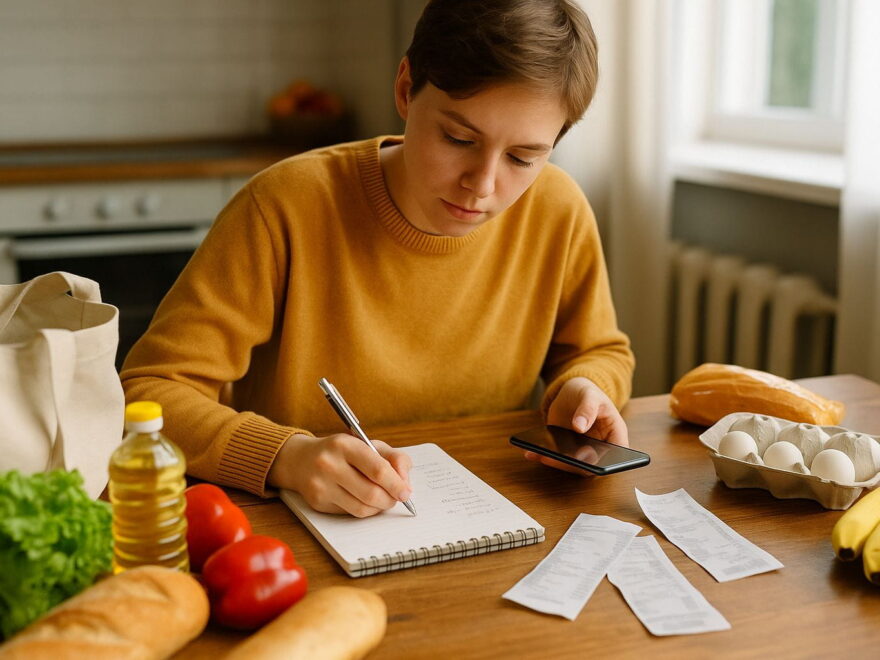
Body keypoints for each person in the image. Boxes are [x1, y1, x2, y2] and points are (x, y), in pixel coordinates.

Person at [120, 0, 635, 518]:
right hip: (303, 523)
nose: (481, 186)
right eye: (458, 138)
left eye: (523, 158)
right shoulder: (283, 207)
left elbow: (601, 350)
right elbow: (151, 390)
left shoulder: (558, 209)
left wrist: (583, 388)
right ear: (406, 89)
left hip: (498, 515)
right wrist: (285, 456)